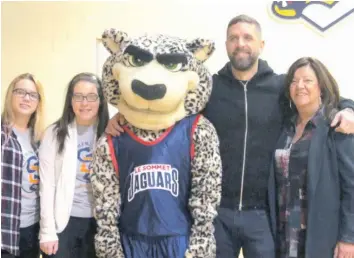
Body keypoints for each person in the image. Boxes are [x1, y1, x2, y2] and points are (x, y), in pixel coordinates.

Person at [105, 15, 354, 258]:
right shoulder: (210, 88)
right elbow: (168, 112)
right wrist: (124, 117)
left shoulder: (280, 87)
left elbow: (319, 96)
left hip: (263, 216)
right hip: (218, 215)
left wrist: (348, 108)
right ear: (226, 45)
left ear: (261, 45)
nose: (240, 43)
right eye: (233, 38)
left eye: (248, 37)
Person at [268, 57, 354, 258]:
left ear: (321, 86)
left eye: (307, 80)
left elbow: (352, 186)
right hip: (284, 236)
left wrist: (349, 238)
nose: (300, 86)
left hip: (320, 238)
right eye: (294, 81)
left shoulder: (336, 126)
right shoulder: (286, 127)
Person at [39, 72, 109, 258]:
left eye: (91, 96)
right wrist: (47, 232)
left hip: (99, 224)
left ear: (101, 100)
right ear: (70, 100)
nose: (84, 103)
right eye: (78, 96)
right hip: (63, 223)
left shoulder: (111, 133)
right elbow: (47, 186)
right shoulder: (54, 134)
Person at [1, 73, 45, 258]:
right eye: (20, 92)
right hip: (5, 230)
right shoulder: (3, 136)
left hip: (33, 228)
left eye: (32, 94)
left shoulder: (41, 137)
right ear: (11, 95)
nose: (26, 98)